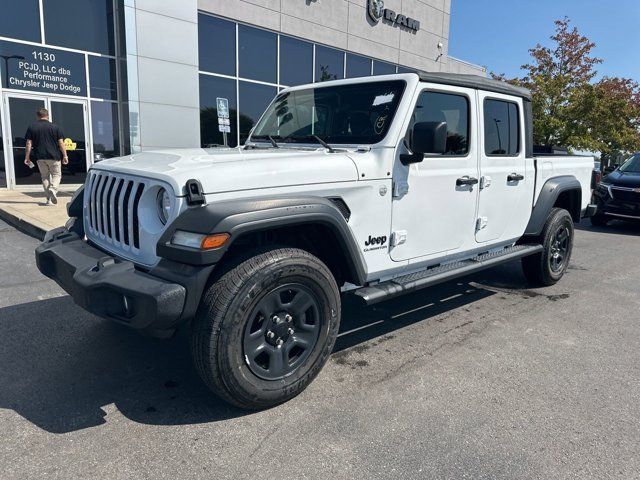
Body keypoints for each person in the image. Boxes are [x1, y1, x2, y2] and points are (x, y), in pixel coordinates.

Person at [24, 108, 68, 205]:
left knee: (45, 177)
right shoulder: (56, 127)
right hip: (54, 156)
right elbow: (61, 143)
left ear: (38, 116)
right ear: (47, 116)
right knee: (57, 175)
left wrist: (27, 157)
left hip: (40, 157)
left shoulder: (32, 127)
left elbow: (28, 143)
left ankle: (48, 200)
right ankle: (53, 188)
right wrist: (65, 156)